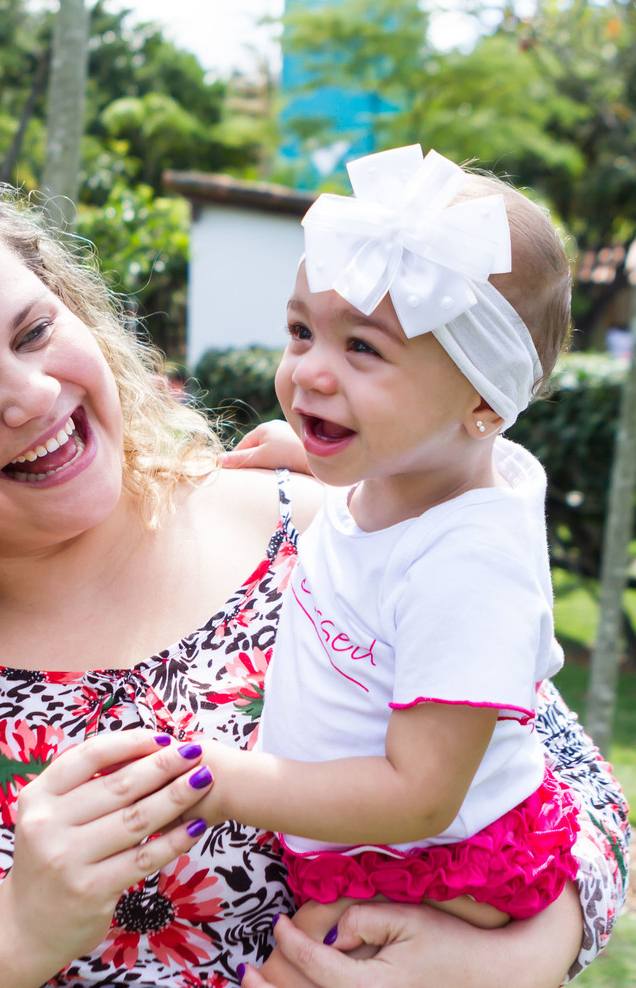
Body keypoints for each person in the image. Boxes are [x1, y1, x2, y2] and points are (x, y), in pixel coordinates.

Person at [0, 161, 629, 988]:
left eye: (34, 332)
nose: (34, 395)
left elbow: (577, 799)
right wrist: (16, 932)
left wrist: (511, 962)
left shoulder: (333, 526)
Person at [195, 146, 609, 975]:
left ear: (483, 400)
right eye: (302, 331)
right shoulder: (416, 478)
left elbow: (420, 793)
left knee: (306, 965)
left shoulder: (471, 570)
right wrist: (318, 456)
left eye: (363, 348)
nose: (309, 371)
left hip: (434, 864)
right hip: (373, 843)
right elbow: (422, 473)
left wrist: (220, 782)